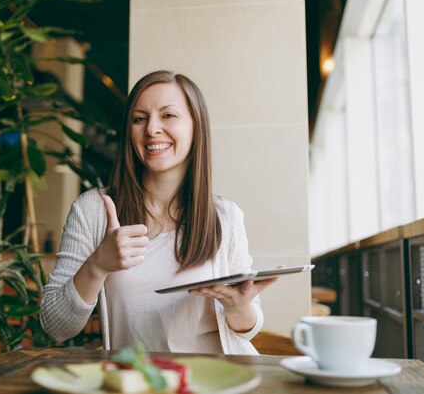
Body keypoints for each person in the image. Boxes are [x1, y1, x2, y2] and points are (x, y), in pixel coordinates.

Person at [40, 70, 277, 354]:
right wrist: (97, 265)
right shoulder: (93, 210)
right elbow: (55, 325)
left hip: (219, 380)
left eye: (168, 115)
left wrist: (239, 306)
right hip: (141, 380)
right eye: (140, 119)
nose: (152, 128)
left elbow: (249, 326)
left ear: (195, 127)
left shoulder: (225, 216)